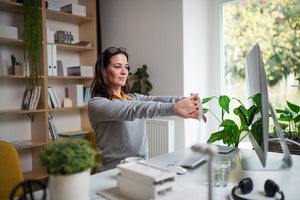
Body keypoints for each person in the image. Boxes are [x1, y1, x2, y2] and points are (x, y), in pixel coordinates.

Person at [88, 47, 207, 172]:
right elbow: (133, 110)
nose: (124, 72)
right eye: (118, 67)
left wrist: (188, 100)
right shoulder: (97, 104)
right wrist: (174, 108)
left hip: (141, 168)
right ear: (104, 71)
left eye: (126, 67)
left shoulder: (133, 98)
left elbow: (158, 100)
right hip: (112, 172)